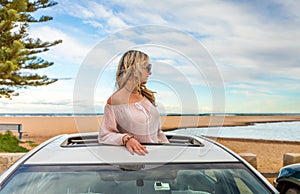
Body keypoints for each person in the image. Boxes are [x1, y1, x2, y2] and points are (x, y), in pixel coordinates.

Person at [98, 50, 169, 155]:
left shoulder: (145, 96)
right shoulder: (115, 101)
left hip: (157, 158)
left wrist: (169, 152)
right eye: (148, 67)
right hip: (135, 160)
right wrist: (126, 139)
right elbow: (105, 135)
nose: (150, 72)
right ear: (136, 68)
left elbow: (158, 134)